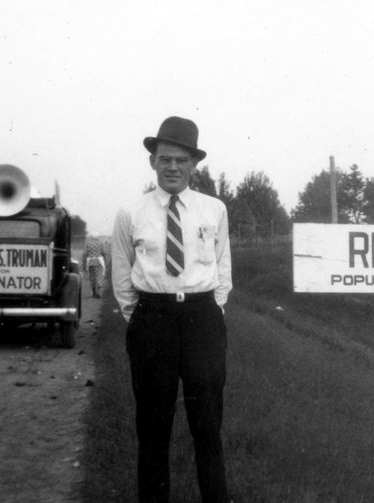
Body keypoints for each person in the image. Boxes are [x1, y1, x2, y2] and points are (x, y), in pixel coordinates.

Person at [111, 116, 232, 503]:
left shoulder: (214, 209)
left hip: (203, 320)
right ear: (153, 162)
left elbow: (222, 268)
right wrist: (143, 318)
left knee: (208, 425)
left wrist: (212, 312)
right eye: (165, 159)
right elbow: (121, 276)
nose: (173, 167)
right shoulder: (131, 213)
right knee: (153, 427)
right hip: (153, 322)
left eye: (181, 160)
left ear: (194, 164)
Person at [83, 234, 106, 298]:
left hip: (90, 262)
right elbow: (104, 252)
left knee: (92, 278)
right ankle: (98, 293)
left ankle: (94, 293)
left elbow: (85, 254)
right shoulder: (101, 243)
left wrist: (84, 265)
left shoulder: (87, 243)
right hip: (99, 261)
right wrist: (105, 260)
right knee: (99, 277)